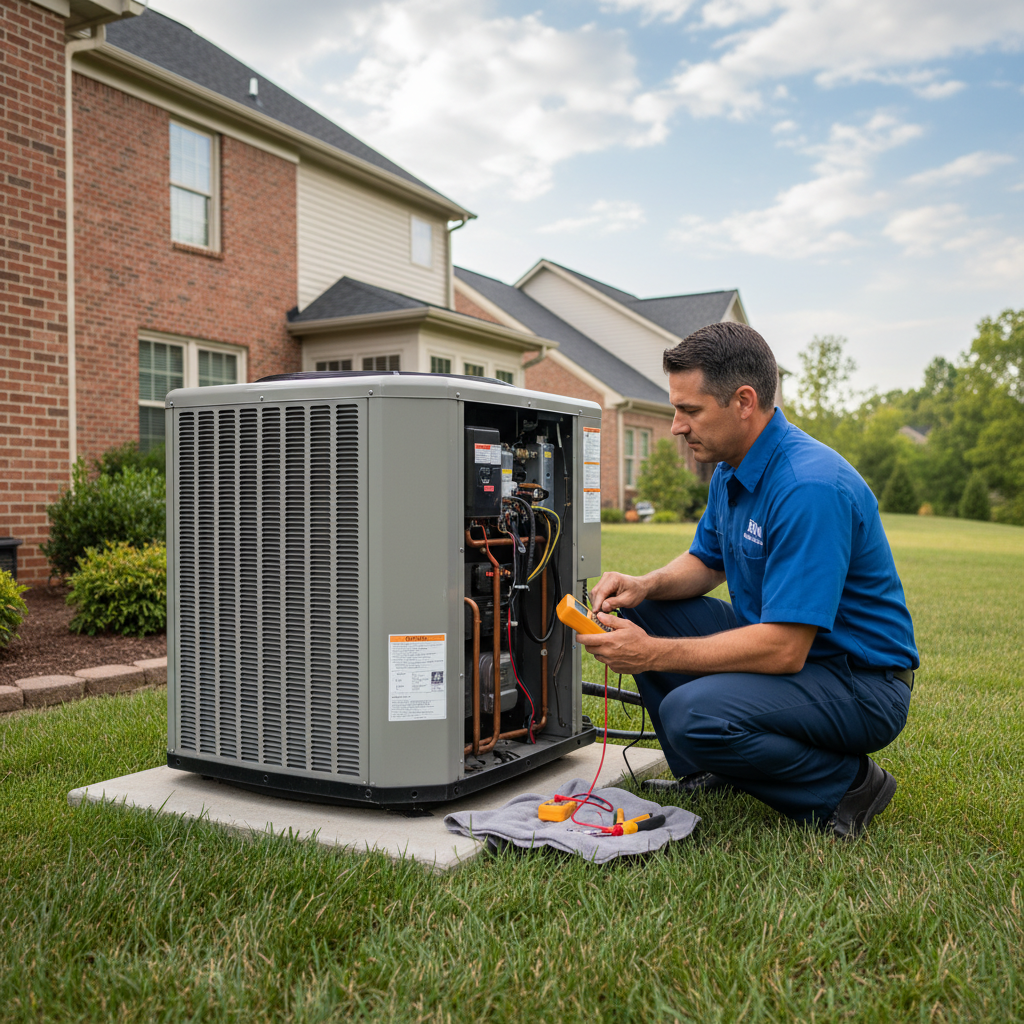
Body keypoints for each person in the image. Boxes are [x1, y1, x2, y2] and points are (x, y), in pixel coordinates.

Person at [579, 322, 918, 839]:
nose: (675, 426)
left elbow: (784, 650)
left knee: (692, 714)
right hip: (800, 655)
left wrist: (652, 655)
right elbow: (706, 561)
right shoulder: (731, 468)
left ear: (743, 401)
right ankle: (718, 768)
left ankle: (847, 787)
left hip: (860, 681)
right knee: (646, 609)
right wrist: (644, 584)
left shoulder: (809, 487)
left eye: (689, 410)